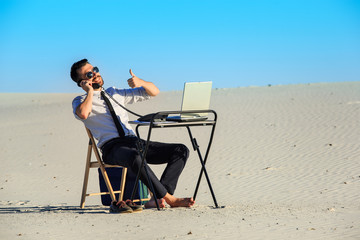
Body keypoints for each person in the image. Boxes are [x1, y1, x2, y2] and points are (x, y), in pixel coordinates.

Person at [70, 59, 195, 211]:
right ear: (82, 82)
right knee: (135, 157)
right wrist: (90, 92)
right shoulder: (80, 101)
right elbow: (83, 114)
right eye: (89, 74)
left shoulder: (114, 92)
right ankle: (169, 198)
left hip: (134, 142)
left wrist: (140, 82)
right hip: (113, 148)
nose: (95, 74)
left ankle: (157, 198)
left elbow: (154, 91)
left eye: (95, 69)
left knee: (180, 150)